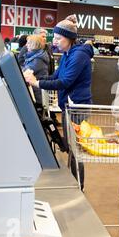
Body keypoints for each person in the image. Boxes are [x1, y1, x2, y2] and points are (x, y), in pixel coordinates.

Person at [24, 15, 94, 191]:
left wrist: (37, 83)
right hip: (68, 106)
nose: (54, 41)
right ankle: (73, 182)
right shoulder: (67, 53)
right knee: (71, 148)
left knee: (76, 150)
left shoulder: (78, 55)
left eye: (57, 38)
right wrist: (35, 78)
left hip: (78, 107)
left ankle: (79, 186)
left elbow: (65, 81)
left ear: (69, 38)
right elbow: (55, 76)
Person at [23, 35, 50, 105]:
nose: (26, 45)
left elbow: (26, 72)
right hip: (36, 92)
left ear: (34, 44)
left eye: (28, 43)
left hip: (36, 96)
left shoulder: (38, 59)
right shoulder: (37, 56)